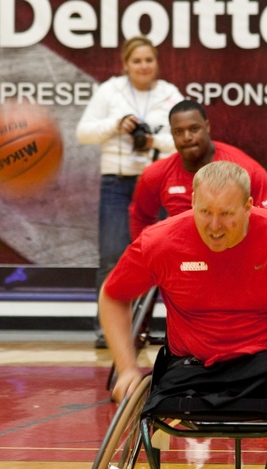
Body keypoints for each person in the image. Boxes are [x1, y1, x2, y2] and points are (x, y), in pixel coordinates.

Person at [100, 161, 267, 412]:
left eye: (226, 213)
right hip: (191, 372)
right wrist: (126, 369)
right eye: (205, 212)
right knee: (163, 389)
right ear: (192, 203)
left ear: (248, 206)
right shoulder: (160, 243)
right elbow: (113, 296)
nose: (214, 226)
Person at [76, 35, 183, 348]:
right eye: (137, 60)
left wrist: (154, 141)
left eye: (149, 60)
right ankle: (106, 331)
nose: (143, 66)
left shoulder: (169, 94)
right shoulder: (110, 91)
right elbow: (83, 133)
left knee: (168, 261)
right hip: (118, 184)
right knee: (112, 258)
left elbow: (187, 136)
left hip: (159, 183)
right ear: (125, 64)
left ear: (156, 63)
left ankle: (167, 331)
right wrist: (116, 124)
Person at [128, 100, 267, 240]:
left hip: (234, 254)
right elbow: (141, 217)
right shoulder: (156, 174)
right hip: (184, 260)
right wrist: (148, 256)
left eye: (194, 129)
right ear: (172, 135)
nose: (187, 137)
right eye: (178, 132)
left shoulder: (246, 169)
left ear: (207, 127)